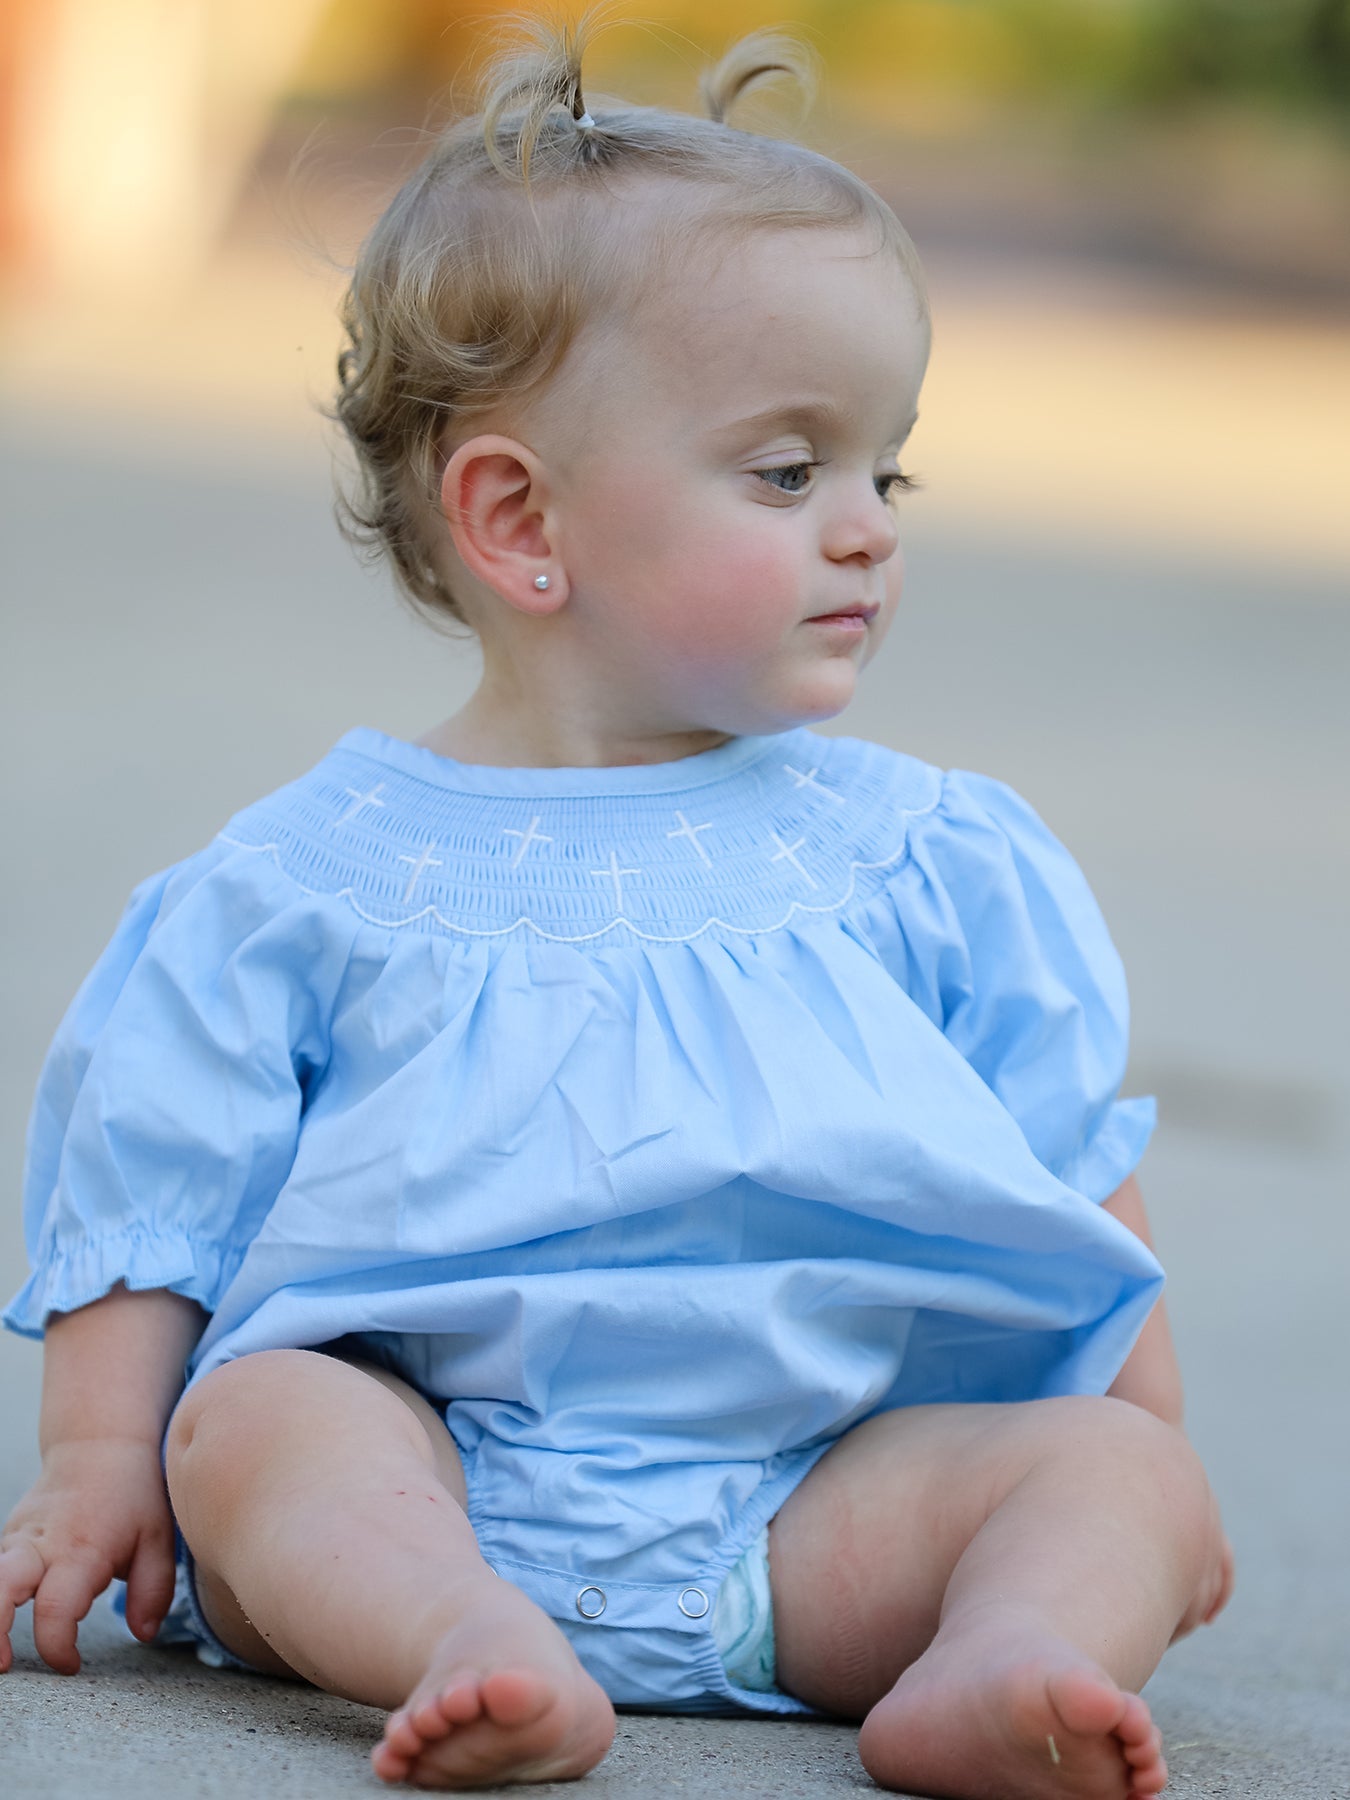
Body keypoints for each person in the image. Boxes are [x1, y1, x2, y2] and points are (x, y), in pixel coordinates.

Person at [0, 16, 1233, 1796]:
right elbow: (155, 1194)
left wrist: (1139, 1469)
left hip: (824, 1512)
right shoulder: (305, 881)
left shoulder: (923, 857)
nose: (869, 528)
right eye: (789, 472)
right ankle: (462, 1639)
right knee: (258, 1422)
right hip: (430, 1484)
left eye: (884, 469)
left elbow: (1070, 1168)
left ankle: (1001, 1655)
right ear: (519, 519)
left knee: (1113, 1477)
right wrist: (99, 1462)